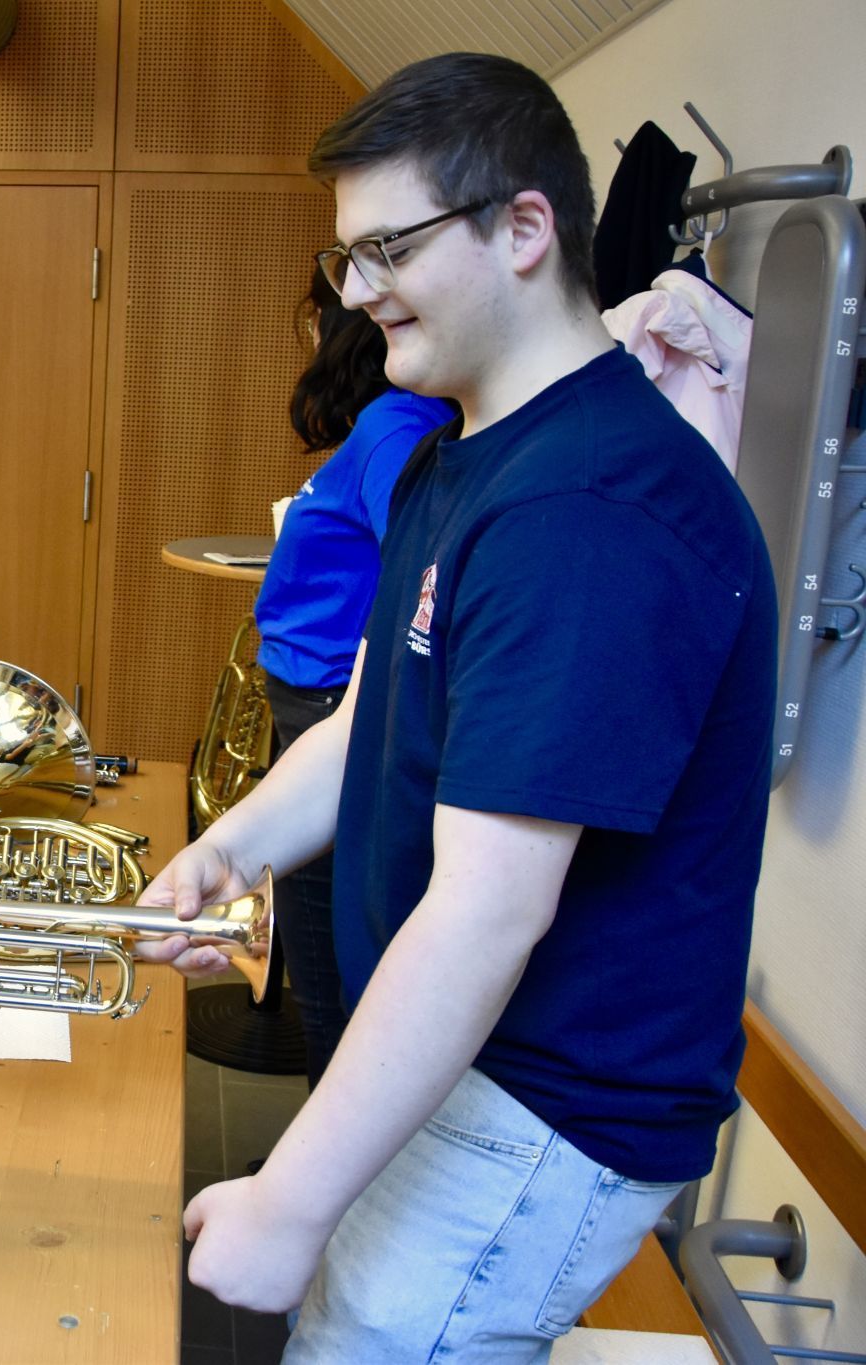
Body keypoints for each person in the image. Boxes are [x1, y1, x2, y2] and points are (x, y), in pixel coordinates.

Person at [138, 53, 777, 1360]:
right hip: (469, 1060)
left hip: (547, 1101)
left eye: (389, 248)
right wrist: (226, 849)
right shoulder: (458, 453)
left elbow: (493, 907)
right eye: (346, 259)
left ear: (525, 228)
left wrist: (294, 1196)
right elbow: (376, 709)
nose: (356, 290)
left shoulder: (589, 511)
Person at [251, 268, 452, 1087]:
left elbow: (420, 559)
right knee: (322, 969)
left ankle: (325, 1204)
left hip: (339, 712)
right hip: (323, 704)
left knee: (331, 983)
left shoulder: (399, 424)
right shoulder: (395, 422)